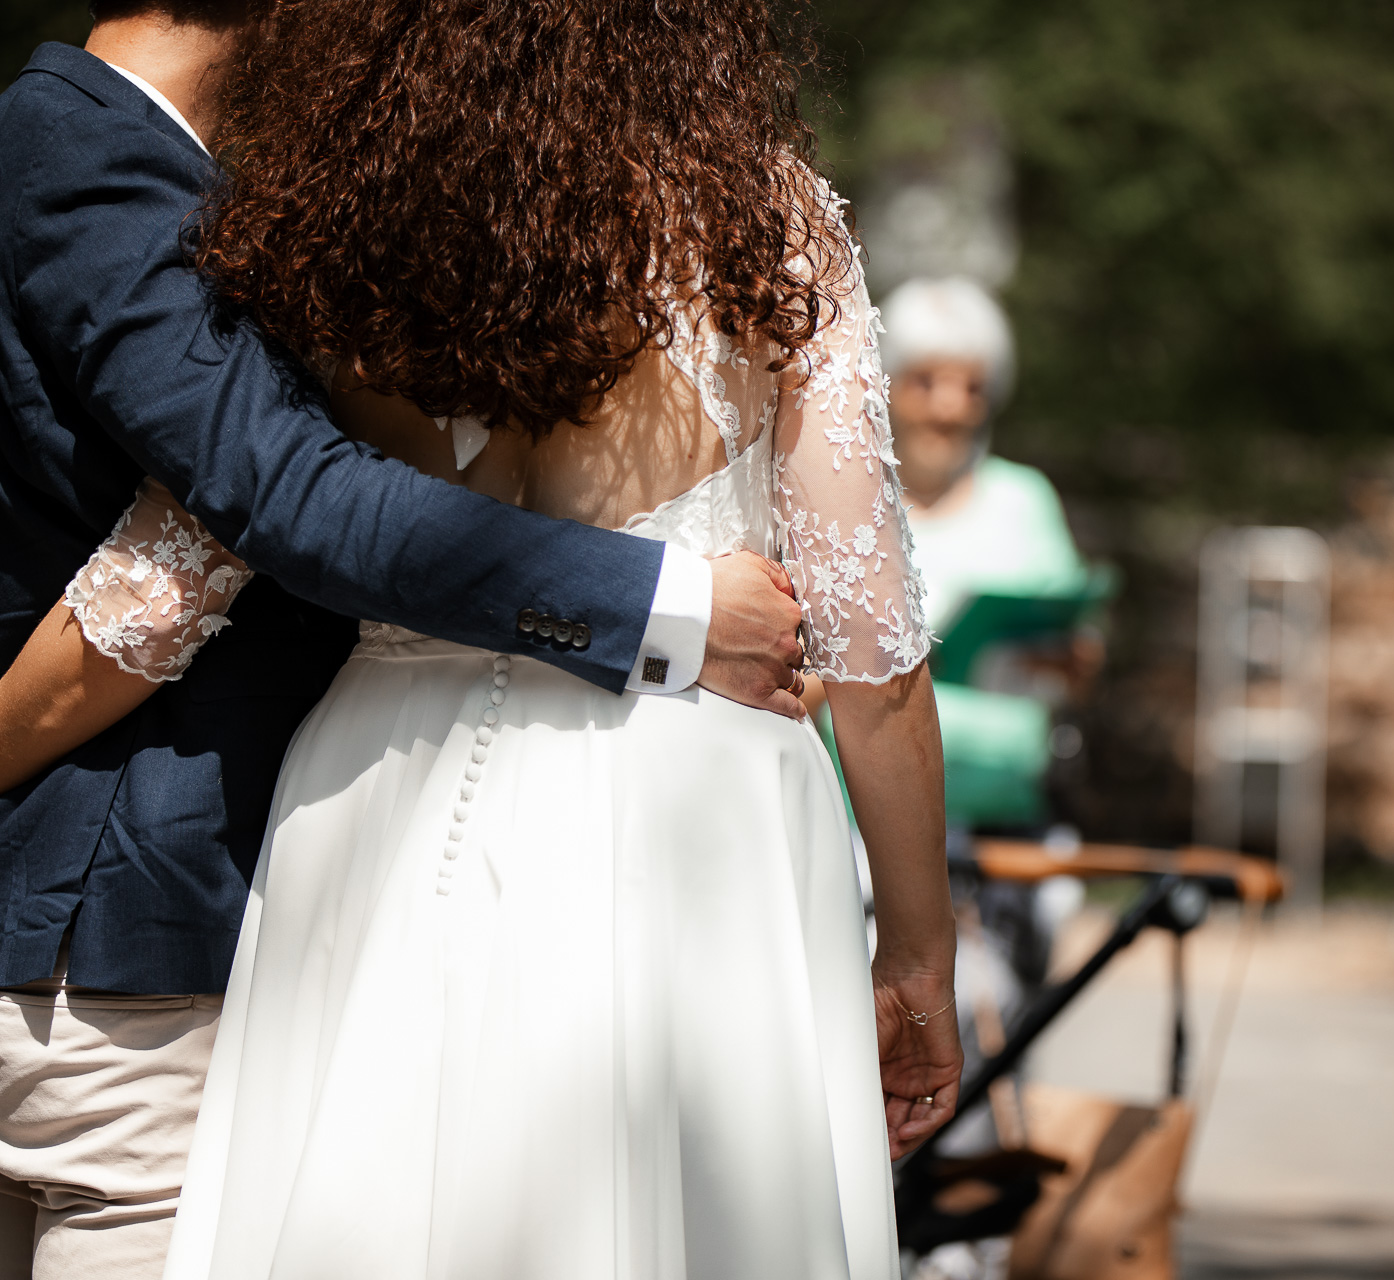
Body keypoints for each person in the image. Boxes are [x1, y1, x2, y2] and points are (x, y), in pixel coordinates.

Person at [0, 1, 808, 1275]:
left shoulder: (231, 181)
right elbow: (283, 492)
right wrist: (674, 602)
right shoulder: (84, 152)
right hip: (104, 960)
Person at [881, 277, 1086, 633]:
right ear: (885, 385)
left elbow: (1077, 636)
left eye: (972, 388)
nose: (949, 407)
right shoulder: (848, 498)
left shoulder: (1025, 498)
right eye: (925, 382)